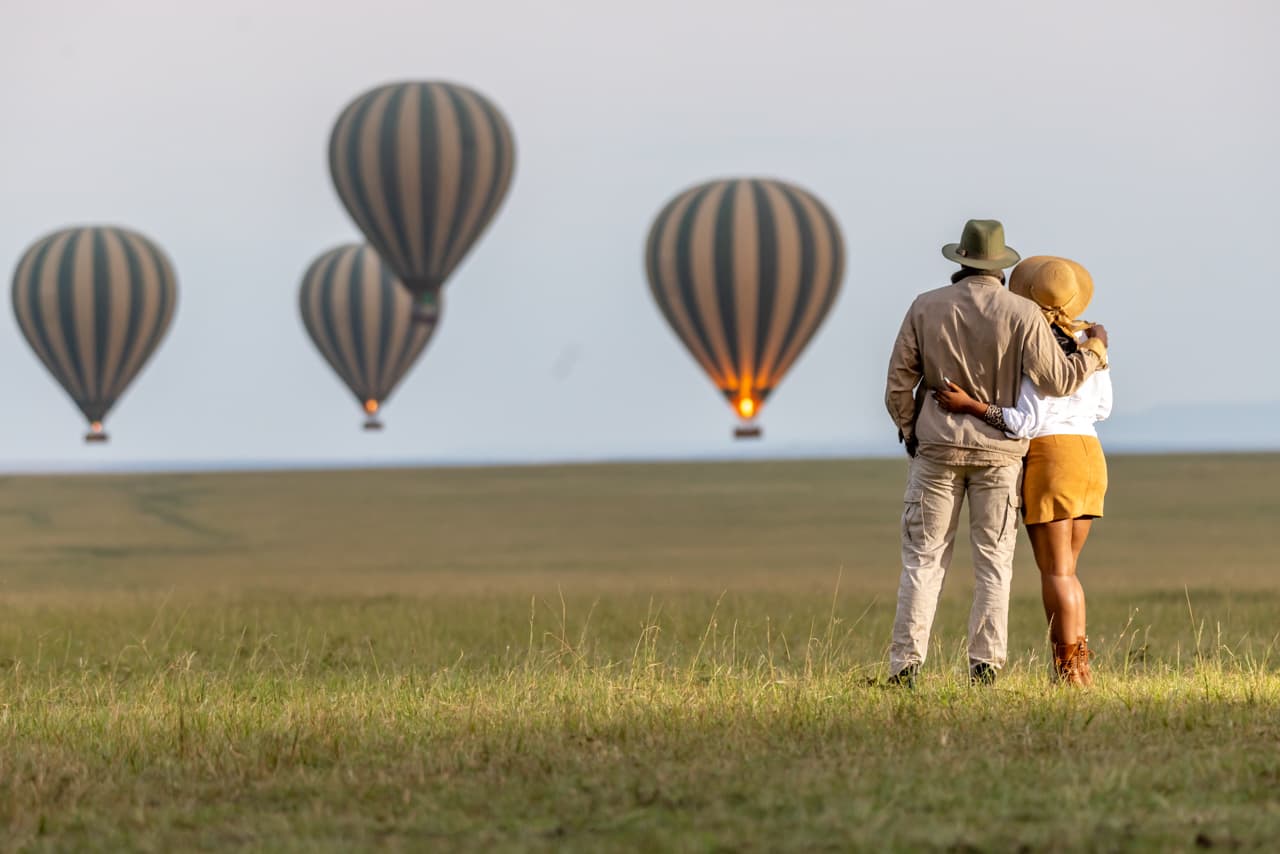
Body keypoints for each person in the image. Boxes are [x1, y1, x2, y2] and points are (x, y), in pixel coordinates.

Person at [884, 220, 1108, 688]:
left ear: (960, 261)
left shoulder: (925, 307)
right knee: (993, 561)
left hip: (937, 449)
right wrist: (1095, 353)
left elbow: (899, 382)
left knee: (923, 559)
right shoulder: (1022, 314)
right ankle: (985, 666)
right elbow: (1058, 382)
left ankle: (905, 666)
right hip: (1000, 456)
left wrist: (911, 430)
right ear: (1002, 268)